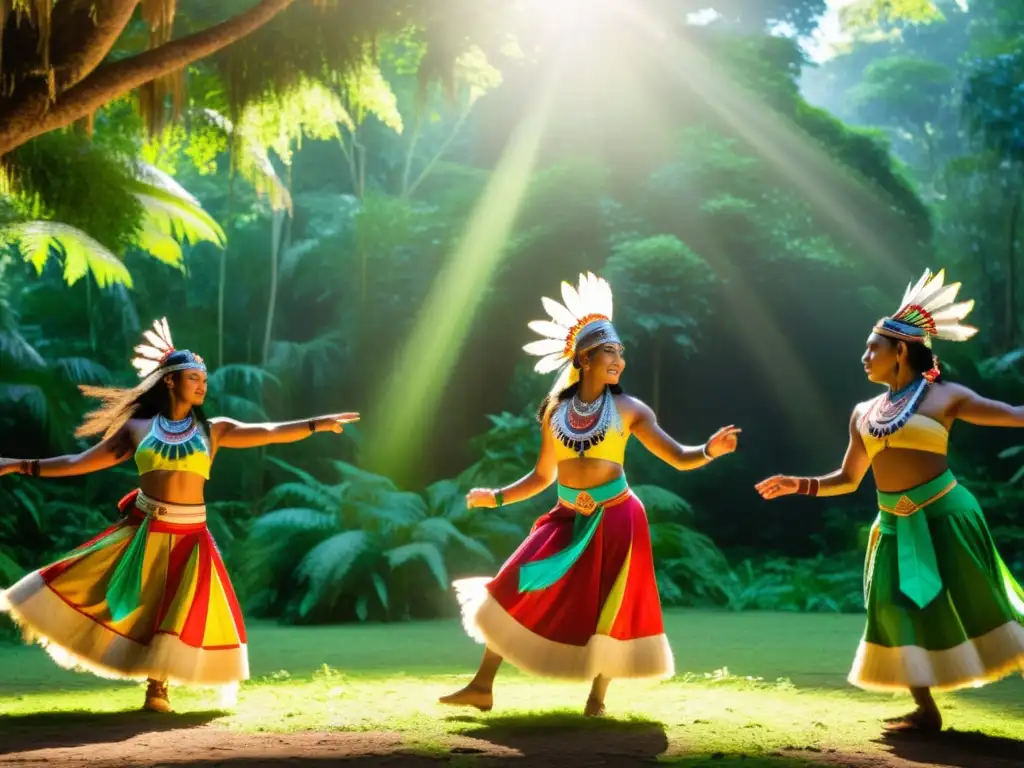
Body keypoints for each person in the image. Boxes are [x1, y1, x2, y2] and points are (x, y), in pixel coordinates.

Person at [0, 318, 359, 713]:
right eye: (193, 378)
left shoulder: (215, 430)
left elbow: (270, 431)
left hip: (191, 536)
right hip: (146, 531)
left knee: (177, 608)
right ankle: (146, 680)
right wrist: (18, 464)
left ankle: (158, 688)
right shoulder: (137, 428)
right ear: (170, 381)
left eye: (203, 380)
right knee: (123, 598)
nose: (202, 385)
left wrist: (315, 425)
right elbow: (78, 462)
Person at [439, 272, 741, 716]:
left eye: (620, 352)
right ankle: (481, 686)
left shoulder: (630, 410)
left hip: (618, 516)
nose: (618, 359)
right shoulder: (555, 412)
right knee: (514, 583)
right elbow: (542, 475)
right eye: (607, 352)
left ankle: (597, 699)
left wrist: (709, 451)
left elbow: (678, 456)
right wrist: (497, 496)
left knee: (611, 603)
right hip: (565, 516)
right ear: (583, 358)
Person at [755, 269, 1024, 733]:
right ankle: (925, 710)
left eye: (872, 348)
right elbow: (847, 478)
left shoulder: (946, 397)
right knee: (892, 610)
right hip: (892, 524)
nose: (864, 357)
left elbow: (1017, 417)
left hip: (946, 515)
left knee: (985, 603)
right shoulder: (864, 413)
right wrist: (797, 484)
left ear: (900, 350)